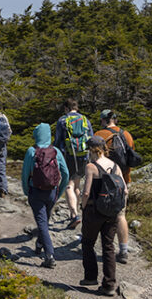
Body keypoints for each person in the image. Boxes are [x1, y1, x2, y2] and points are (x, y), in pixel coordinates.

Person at [79, 135, 124, 295]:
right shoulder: (115, 166)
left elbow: (86, 192)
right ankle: (109, 284)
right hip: (111, 211)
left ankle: (91, 277)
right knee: (108, 246)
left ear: (92, 149)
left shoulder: (91, 166)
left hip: (93, 211)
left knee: (88, 242)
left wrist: (82, 207)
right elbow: (124, 189)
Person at [22, 123, 70, 268]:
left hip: (36, 192)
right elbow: (66, 174)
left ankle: (49, 255)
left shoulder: (31, 151)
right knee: (45, 220)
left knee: (42, 223)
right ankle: (39, 245)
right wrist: (59, 192)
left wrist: (26, 191)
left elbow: (25, 175)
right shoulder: (56, 151)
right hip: (52, 192)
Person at [96, 109, 136, 263]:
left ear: (104, 120)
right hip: (123, 180)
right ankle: (123, 251)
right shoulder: (126, 134)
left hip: (103, 181)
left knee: (101, 214)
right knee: (120, 216)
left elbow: (93, 158)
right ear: (115, 119)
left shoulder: (99, 135)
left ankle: (105, 247)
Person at [54, 98, 90, 230]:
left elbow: (58, 140)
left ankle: (74, 215)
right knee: (77, 183)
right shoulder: (85, 119)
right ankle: (75, 212)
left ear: (66, 108)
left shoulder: (62, 120)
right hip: (82, 155)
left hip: (68, 156)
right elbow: (90, 137)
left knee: (68, 185)